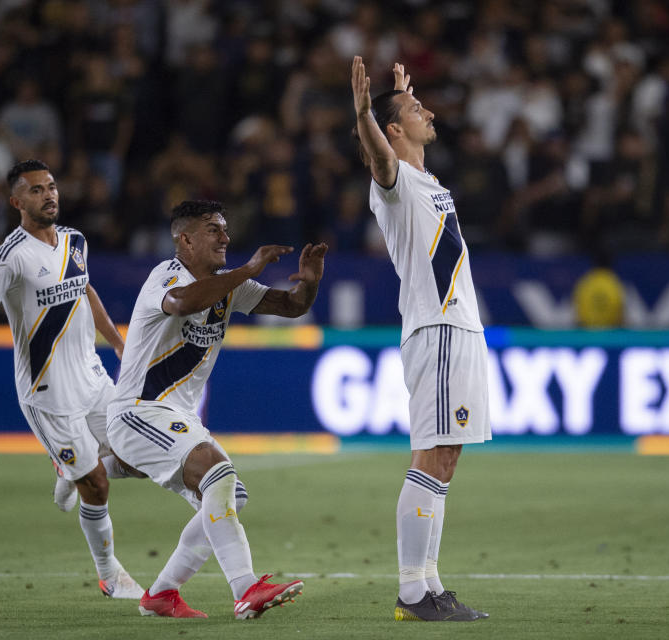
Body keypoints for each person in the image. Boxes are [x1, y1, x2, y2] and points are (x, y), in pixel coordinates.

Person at [105, 199, 328, 619]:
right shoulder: (166, 276)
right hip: (138, 410)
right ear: (185, 239)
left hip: (175, 417)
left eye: (225, 229)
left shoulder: (229, 285)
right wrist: (247, 270)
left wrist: (311, 282)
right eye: (214, 229)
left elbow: (292, 306)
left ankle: (162, 592)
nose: (225, 237)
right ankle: (246, 588)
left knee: (230, 496)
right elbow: (183, 303)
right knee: (217, 472)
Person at [0, 159, 144, 599]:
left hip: (93, 380)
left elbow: (85, 290)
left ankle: (68, 466)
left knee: (139, 456)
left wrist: (117, 343)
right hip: (49, 392)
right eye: (37, 190)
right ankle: (110, 575)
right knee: (96, 484)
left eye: (52, 186)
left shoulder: (76, 241)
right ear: (17, 202)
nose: (49, 195)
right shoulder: (9, 257)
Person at [351, 57, 492, 622]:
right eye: (416, 110)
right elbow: (380, 156)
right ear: (392, 130)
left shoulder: (428, 183)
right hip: (435, 328)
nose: (429, 112)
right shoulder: (393, 180)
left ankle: (430, 586)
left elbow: (392, 141)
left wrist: (398, 101)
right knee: (433, 455)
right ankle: (412, 593)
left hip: (457, 328)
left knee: (445, 456)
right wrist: (366, 112)